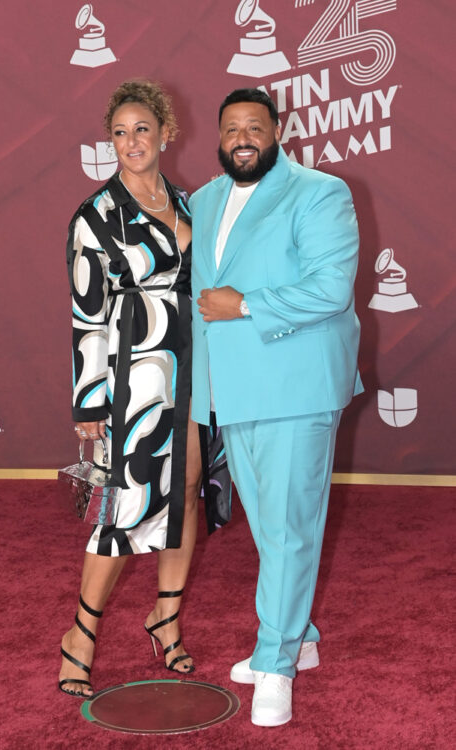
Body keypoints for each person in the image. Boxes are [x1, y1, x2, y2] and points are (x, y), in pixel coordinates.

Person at [189, 88, 363, 726]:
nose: (242, 137)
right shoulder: (203, 200)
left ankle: (277, 659)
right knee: (270, 529)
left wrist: (248, 303)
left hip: (296, 385)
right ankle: (303, 636)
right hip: (231, 390)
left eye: (253, 127)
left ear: (276, 131)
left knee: (288, 530)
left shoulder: (319, 192)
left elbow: (330, 287)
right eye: (230, 126)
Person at [59, 79, 229, 697]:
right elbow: (86, 317)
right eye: (120, 132)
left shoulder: (187, 204)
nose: (131, 141)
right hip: (132, 377)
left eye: (141, 129)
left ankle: (166, 616)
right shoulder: (96, 216)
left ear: (165, 133)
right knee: (125, 509)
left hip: (193, 370)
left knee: (184, 494)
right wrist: (89, 402)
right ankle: (81, 633)